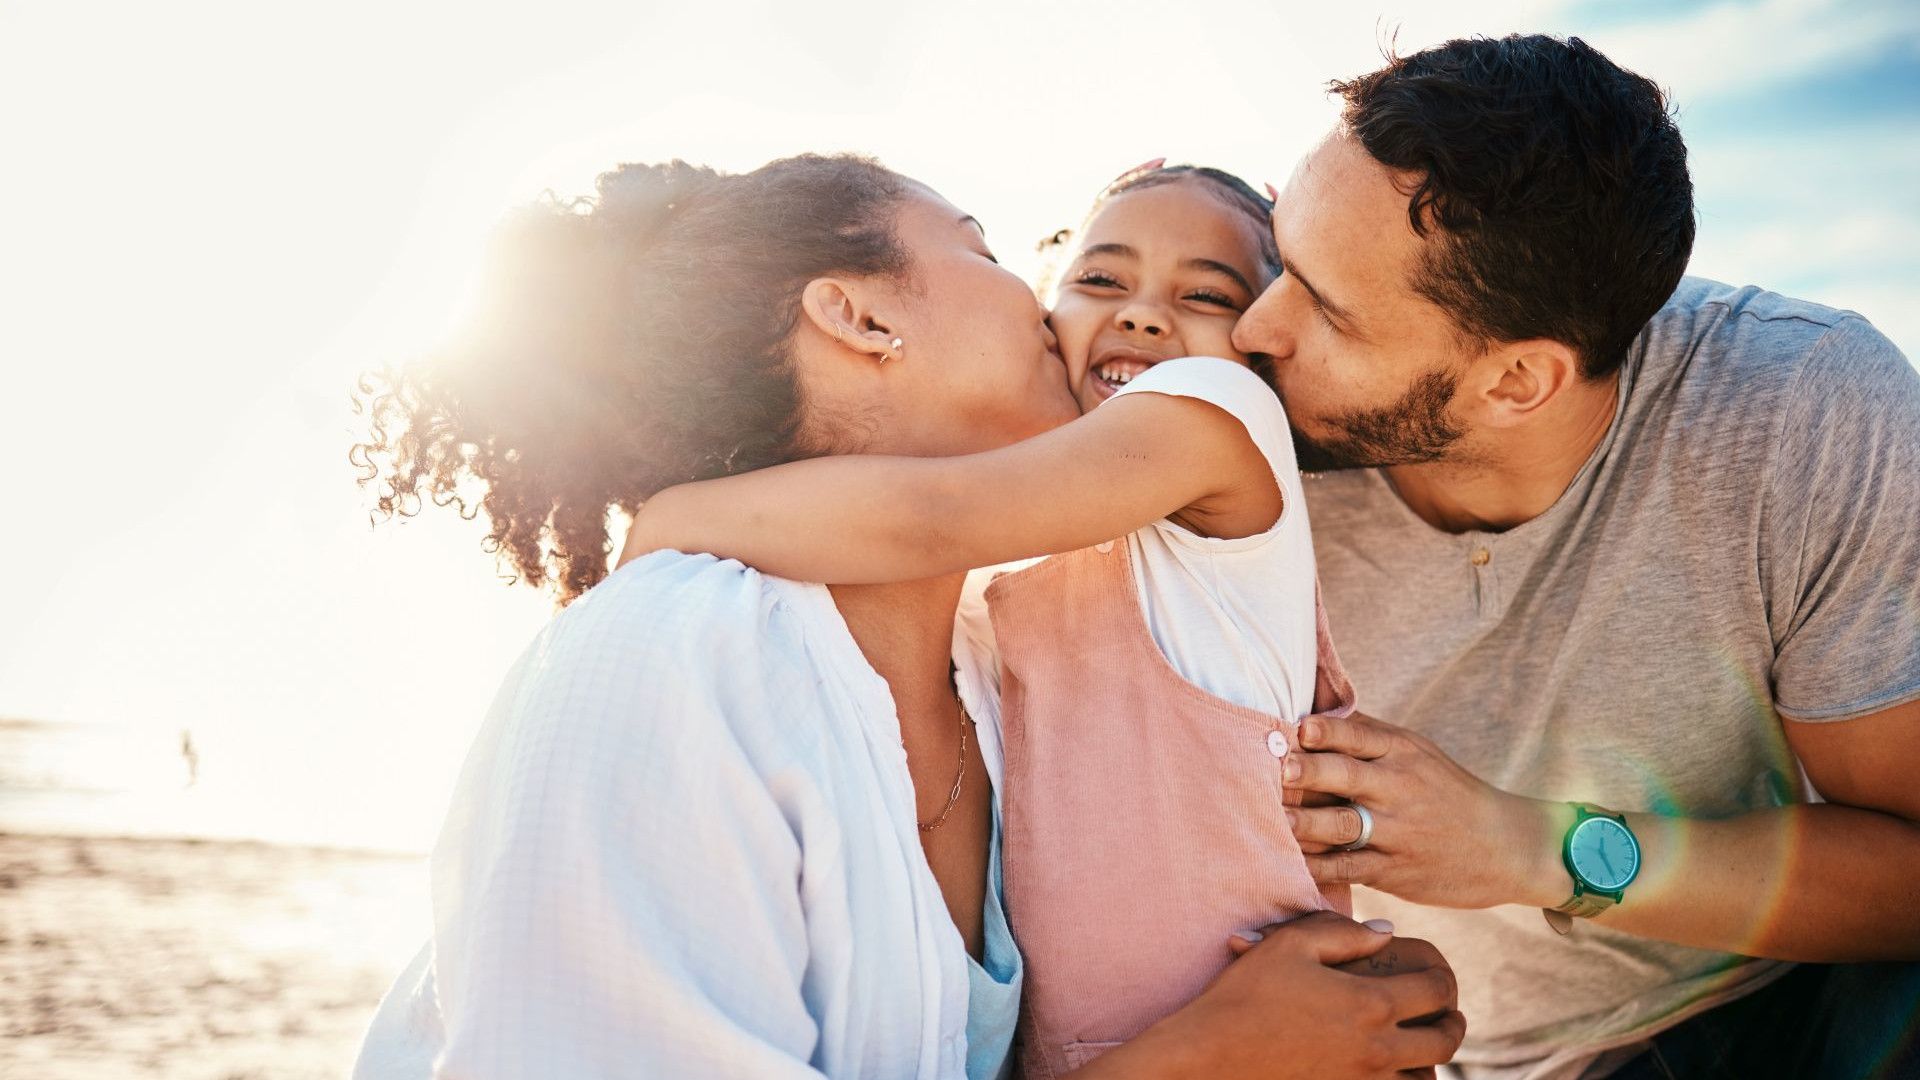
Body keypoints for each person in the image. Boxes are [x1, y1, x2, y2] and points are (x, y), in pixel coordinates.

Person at [348, 153, 1464, 1079]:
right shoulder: (662, 656)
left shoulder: (1002, 682)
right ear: (861, 313)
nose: (1046, 299)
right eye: (983, 250)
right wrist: (1209, 1056)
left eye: (1209, 292)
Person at [1229, 34, 1920, 1080]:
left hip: (1794, 996)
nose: (1252, 326)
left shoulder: (1802, 410)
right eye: (1283, 256)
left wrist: (1529, 847)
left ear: (1518, 383)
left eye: (1326, 309)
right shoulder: (1229, 441)